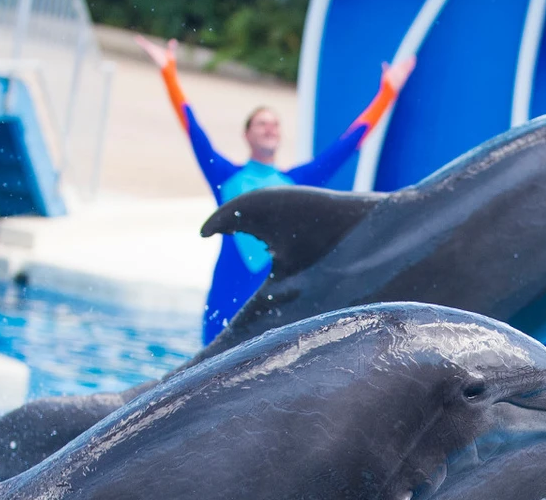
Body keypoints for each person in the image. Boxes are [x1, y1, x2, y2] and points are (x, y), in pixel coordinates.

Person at [137, 36, 415, 343]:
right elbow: (194, 130)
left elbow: (348, 144)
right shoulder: (225, 176)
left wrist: (387, 92)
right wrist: (169, 73)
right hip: (227, 293)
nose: (270, 128)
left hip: (272, 296)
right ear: (246, 134)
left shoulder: (297, 184)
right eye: (261, 124)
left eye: (275, 124)